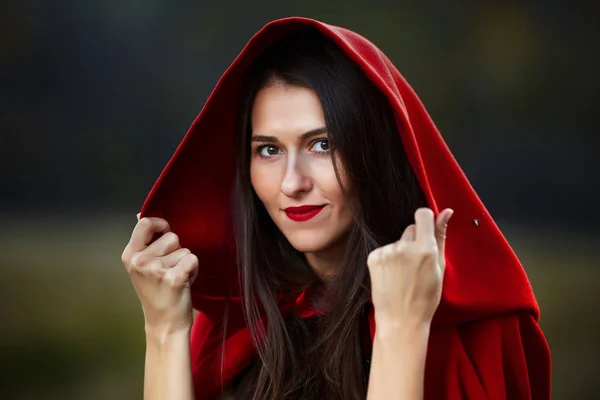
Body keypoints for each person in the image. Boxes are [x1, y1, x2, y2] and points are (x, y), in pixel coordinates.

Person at [121, 17, 551, 400]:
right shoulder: (232, 330)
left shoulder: (477, 337)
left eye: (322, 144)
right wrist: (164, 331)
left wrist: (401, 329)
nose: (293, 183)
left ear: (376, 152)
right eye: (269, 150)